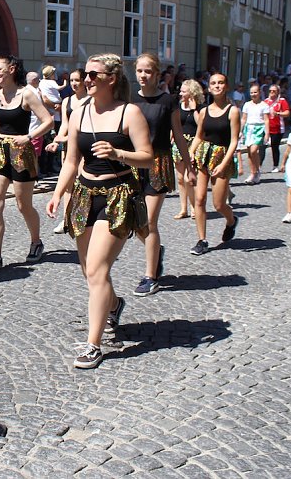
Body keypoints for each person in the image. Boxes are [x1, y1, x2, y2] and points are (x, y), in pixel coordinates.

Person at [45, 53, 152, 369]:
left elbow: (147, 157)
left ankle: (94, 345)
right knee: (88, 270)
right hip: (83, 195)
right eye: (85, 74)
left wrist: (119, 153)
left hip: (117, 197)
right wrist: (57, 193)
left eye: (93, 75)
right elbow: (70, 161)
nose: (87, 79)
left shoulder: (129, 113)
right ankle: (114, 304)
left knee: (97, 268)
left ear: (112, 78)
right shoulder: (78, 113)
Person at [0, 55, 53, 273]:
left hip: (22, 152)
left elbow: (47, 121)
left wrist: (29, 137)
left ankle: (36, 241)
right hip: (0, 151)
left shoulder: (27, 94)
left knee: (23, 205)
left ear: (12, 69)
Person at [129, 53, 194, 296]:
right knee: (136, 224)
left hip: (158, 163)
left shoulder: (168, 102)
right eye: (140, 71)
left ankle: (150, 276)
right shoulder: (129, 100)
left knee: (148, 221)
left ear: (157, 74)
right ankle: (155, 250)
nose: (143, 76)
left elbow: (178, 135)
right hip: (134, 164)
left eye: (148, 71)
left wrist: (188, 167)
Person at [189, 72, 241, 256]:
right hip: (204, 155)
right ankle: (202, 240)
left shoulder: (232, 111)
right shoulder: (204, 111)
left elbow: (234, 141)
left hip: (222, 156)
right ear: (209, 87)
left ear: (226, 86)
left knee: (219, 204)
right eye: (213, 83)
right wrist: (190, 153)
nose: (217, 86)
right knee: (199, 199)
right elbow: (199, 136)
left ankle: (231, 220)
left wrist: (224, 163)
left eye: (221, 83)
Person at [45, 67, 91, 233]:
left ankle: (83, 217)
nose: (73, 83)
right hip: (69, 147)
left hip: (85, 146)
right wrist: (57, 140)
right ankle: (65, 219)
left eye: (77, 80)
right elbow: (65, 124)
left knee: (84, 182)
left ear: (84, 81)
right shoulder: (67, 101)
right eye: (71, 80)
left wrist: (66, 138)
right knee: (68, 183)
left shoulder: (91, 100)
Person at [172, 79, 205, 219]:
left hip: (194, 143)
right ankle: (183, 209)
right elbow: (174, 124)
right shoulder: (178, 106)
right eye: (181, 91)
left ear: (192, 92)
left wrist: (193, 109)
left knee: (188, 178)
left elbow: (201, 125)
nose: (181, 93)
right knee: (180, 179)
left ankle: (193, 207)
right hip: (179, 143)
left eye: (184, 91)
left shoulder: (201, 107)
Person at [240, 83, 270, 184]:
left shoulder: (264, 105)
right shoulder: (247, 104)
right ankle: (253, 173)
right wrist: (240, 130)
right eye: (251, 92)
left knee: (253, 151)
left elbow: (266, 120)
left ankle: (256, 171)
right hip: (249, 128)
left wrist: (267, 133)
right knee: (249, 153)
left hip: (259, 128)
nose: (253, 94)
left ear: (260, 92)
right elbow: (243, 118)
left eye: (255, 92)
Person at [39, 65, 66, 174]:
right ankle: (47, 167)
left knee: (52, 141)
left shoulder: (42, 83)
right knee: (50, 141)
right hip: (52, 116)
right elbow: (45, 100)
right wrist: (56, 106)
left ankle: (49, 166)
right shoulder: (50, 83)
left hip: (55, 114)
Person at [264, 83, 291, 172]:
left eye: (274, 91)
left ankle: (275, 165)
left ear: (277, 92)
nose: (272, 92)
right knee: (262, 147)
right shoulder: (265, 101)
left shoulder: (281, 101)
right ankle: (259, 165)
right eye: (270, 91)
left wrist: (278, 114)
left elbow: (287, 113)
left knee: (274, 146)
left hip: (278, 127)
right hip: (267, 127)